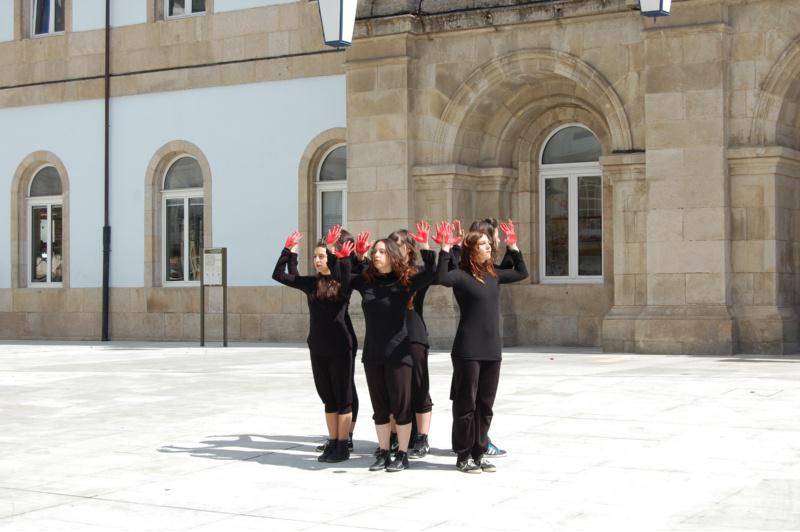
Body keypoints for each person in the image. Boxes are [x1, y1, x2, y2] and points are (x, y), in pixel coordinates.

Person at [434, 220, 528, 473]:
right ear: (473, 249)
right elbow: (442, 277)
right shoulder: (461, 276)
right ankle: (463, 454)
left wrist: (514, 246)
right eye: (484, 244)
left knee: (485, 406)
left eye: (490, 243)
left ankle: (479, 451)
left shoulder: (494, 275)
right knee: (466, 405)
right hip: (467, 349)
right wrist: (444, 249)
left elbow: (521, 273)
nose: (490, 247)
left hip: (491, 349)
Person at [342, 232, 435, 472]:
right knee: (380, 408)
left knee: (401, 406)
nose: (377, 256)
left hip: (399, 353)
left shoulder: (405, 281)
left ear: (393, 255)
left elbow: (432, 273)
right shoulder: (366, 281)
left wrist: (426, 246)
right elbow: (343, 281)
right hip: (373, 354)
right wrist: (354, 256)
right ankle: (384, 451)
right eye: (375, 252)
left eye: (382, 251)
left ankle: (402, 454)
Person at [272, 226, 356, 463]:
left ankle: (343, 444)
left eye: (321, 256)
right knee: (328, 397)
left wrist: (331, 249)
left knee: (343, 398)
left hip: (341, 348)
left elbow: (343, 270)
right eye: (316, 256)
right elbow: (280, 275)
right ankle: (333, 441)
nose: (318, 260)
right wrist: (289, 251)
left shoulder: (342, 282)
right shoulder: (311, 283)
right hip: (318, 347)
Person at [388, 222, 437, 459]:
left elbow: (434, 272)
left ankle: (422, 437)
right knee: (396, 389)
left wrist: (427, 246)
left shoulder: (418, 273)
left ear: (409, 248)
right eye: (391, 246)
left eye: (398, 246)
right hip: (390, 337)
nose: (394, 251)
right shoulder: (384, 275)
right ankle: (398, 432)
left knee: (419, 385)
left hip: (414, 334)